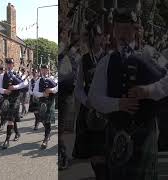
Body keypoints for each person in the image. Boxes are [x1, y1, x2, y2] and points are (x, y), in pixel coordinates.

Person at [88, 7, 164, 179]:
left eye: (128, 28)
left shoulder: (151, 54)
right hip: (118, 132)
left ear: (135, 30)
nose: (123, 32)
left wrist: (149, 91)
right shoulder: (106, 61)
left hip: (145, 130)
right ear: (113, 31)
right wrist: (118, 104)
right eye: (119, 28)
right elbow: (94, 97)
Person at [72, 22, 107, 180]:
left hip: (107, 108)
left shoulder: (110, 57)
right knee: (94, 153)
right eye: (91, 36)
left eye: (97, 35)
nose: (95, 39)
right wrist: (87, 102)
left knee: (107, 152)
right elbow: (78, 88)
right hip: (90, 110)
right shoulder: (83, 60)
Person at [0, 58, 28, 149]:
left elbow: (25, 83)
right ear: (6, 65)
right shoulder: (3, 75)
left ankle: (7, 140)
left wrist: (15, 87)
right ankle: (17, 133)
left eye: (11, 64)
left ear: (13, 65)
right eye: (8, 64)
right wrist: (4, 91)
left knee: (10, 119)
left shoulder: (18, 74)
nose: (9, 65)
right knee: (10, 118)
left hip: (15, 99)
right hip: (6, 98)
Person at [33, 64, 58, 149]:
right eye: (42, 69)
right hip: (42, 102)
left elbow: (57, 87)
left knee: (47, 121)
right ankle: (48, 132)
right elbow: (34, 92)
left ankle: (45, 139)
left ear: (48, 70)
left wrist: (51, 90)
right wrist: (42, 94)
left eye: (45, 69)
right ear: (40, 70)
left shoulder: (53, 79)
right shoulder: (38, 80)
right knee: (43, 121)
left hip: (50, 102)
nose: (44, 71)